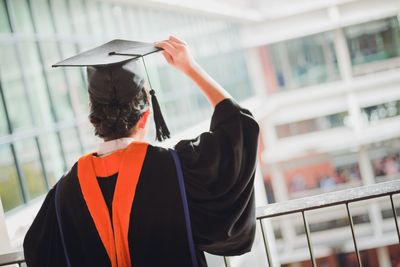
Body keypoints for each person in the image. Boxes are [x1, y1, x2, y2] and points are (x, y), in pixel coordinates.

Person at [23, 36, 259, 267]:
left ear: (93, 119)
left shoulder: (63, 193)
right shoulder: (177, 170)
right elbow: (237, 129)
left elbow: (40, 253)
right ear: (146, 116)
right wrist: (190, 67)